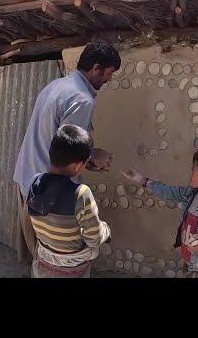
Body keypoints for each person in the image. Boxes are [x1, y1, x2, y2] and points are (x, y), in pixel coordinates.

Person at [12, 42, 121, 264]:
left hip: (27, 179)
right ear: (96, 68)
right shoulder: (82, 99)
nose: (108, 80)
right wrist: (95, 157)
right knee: (53, 260)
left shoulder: (56, 85)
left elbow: (58, 142)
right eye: (108, 74)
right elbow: (70, 151)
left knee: (35, 255)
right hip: (49, 193)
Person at [122, 147, 198, 278]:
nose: (190, 173)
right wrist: (141, 179)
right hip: (190, 262)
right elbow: (168, 191)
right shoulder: (190, 194)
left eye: (194, 170)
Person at [27, 124, 111, 278]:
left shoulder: (34, 183)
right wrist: (106, 229)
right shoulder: (81, 194)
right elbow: (94, 239)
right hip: (71, 267)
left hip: (44, 258)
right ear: (79, 165)